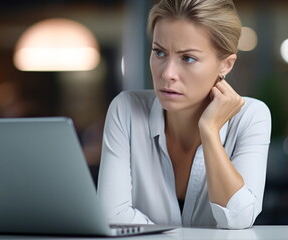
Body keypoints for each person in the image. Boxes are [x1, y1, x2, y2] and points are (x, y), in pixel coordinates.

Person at [97, 0, 271, 229]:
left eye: (188, 58)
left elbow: (238, 218)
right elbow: (111, 215)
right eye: (159, 52)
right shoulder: (126, 109)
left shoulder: (251, 116)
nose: (168, 73)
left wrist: (209, 131)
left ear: (226, 65)